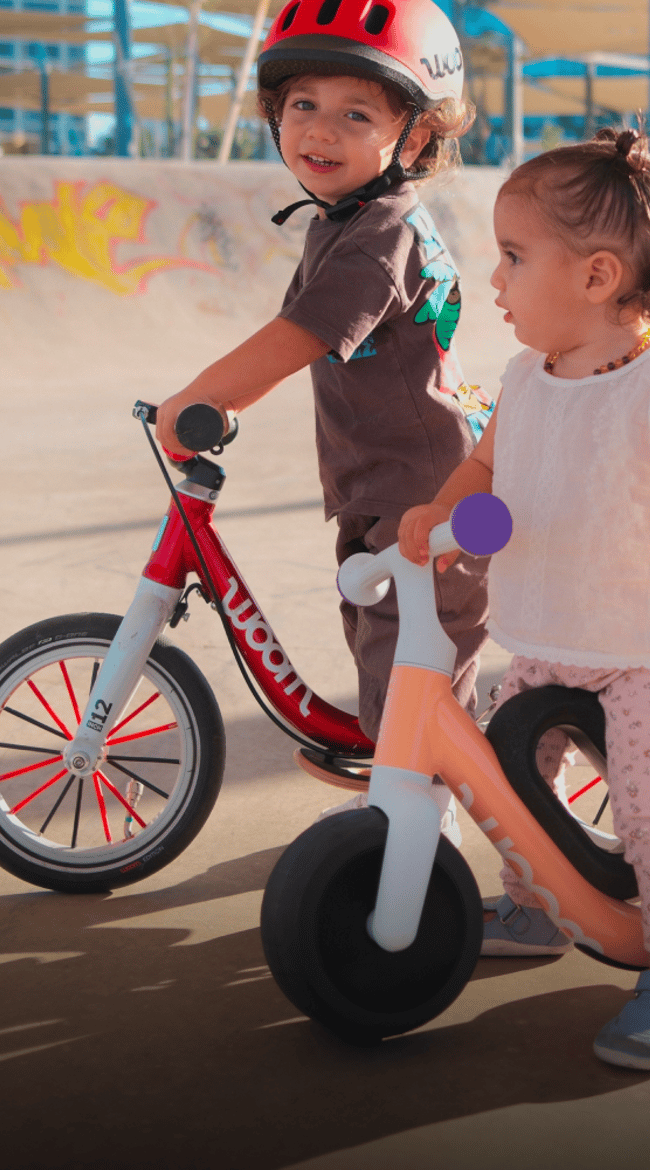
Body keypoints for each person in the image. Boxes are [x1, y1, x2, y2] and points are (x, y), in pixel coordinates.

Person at [398, 125, 650, 1070]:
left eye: (514, 258)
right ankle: (537, 907)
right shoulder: (528, 378)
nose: (495, 282)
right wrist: (443, 513)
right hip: (551, 634)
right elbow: (486, 463)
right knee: (512, 778)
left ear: (599, 276)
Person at [154, 0, 493, 835]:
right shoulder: (344, 224)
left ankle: (423, 843)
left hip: (425, 498)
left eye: (356, 113)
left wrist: (207, 397)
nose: (321, 130)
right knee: (391, 652)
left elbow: (300, 336)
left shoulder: (383, 233)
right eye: (302, 104)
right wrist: (221, 399)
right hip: (383, 489)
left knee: (415, 669)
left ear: (413, 138)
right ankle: (411, 783)